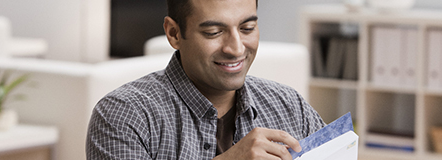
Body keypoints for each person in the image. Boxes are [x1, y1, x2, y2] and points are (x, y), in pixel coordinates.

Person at [86, 0, 325, 159]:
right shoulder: (123, 115)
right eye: (214, 32)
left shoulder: (290, 105)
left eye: (247, 28)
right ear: (174, 34)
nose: (236, 48)